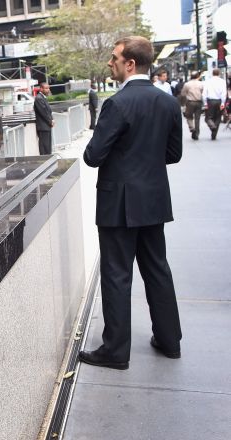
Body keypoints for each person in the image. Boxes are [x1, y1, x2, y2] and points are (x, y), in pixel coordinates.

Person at [79, 35, 183, 370]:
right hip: (153, 199)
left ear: (130, 64)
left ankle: (115, 351)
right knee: (157, 270)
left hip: (118, 204)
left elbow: (93, 156)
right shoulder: (167, 102)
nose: (110, 63)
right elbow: (173, 153)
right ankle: (170, 342)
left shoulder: (117, 104)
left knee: (116, 274)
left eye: (114, 58)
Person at [202, 68, 227, 140]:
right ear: (219, 73)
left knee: (208, 117)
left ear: (212, 73)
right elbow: (224, 93)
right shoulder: (222, 81)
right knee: (218, 117)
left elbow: (204, 93)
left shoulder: (208, 81)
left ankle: (212, 126)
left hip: (210, 101)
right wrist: (223, 102)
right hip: (219, 100)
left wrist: (205, 103)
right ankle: (214, 133)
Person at [180, 71, 204, 140]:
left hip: (190, 102)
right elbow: (202, 92)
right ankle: (196, 133)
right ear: (197, 76)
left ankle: (192, 128)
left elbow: (183, 94)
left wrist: (183, 103)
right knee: (197, 119)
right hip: (199, 102)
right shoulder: (200, 84)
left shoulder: (187, 84)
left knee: (189, 116)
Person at [33, 82, 54, 154]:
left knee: (47, 146)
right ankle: (45, 160)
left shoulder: (42, 98)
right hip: (43, 126)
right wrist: (50, 121)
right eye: (46, 88)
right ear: (41, 89)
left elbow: (48, 111)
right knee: (44, 146)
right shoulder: (39, 98)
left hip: (46, 125)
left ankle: (48, 160)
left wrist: (52, 120)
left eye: (48, 88)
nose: (48, 90)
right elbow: (43, 112)